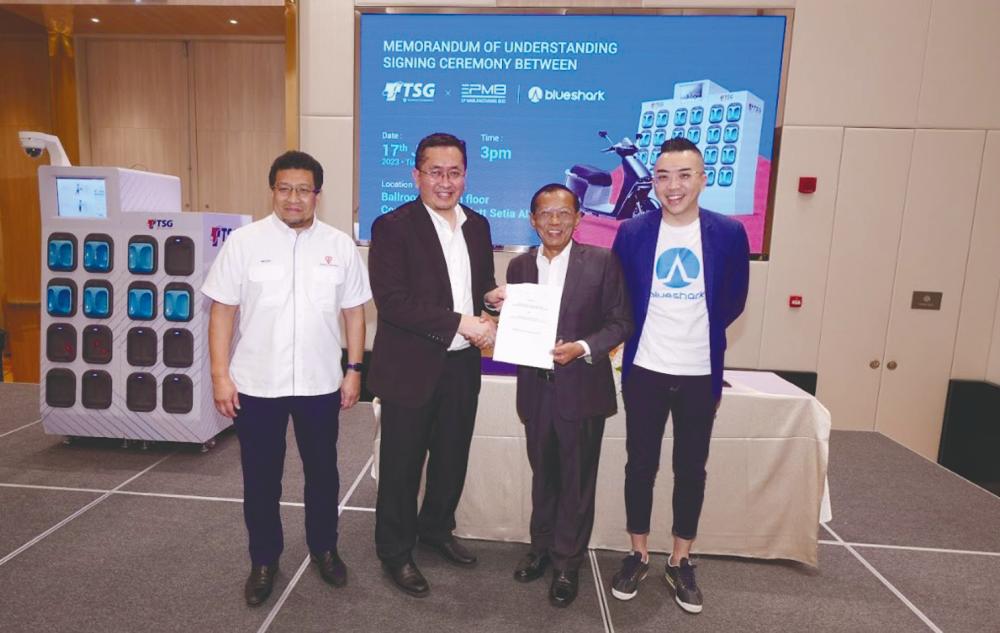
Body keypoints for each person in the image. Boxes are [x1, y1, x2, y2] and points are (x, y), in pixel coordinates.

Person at [202, 150, 371, 606]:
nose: (293, 198)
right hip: (257, 384)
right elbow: (222, 312)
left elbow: (354, 313)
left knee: (323, 474)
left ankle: (325, 549)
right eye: (284, 188)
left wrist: (353, 370)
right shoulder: (243, 242)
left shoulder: (339, 246)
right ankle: (263, 560)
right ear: (272, 190)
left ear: (317, 194)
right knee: (260, 479)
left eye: (303, 189)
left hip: (320, 384)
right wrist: (220, 375)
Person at [610, 138, 749, 614]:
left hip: (698, 373)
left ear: (703, 178)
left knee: (691, 469)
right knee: (639, 466)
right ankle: (637, 553)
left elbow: (733, 302)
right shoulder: (631, 232)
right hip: (645, 369)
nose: (674, 186)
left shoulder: (729, 233)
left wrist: (696, 336)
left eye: (685, 175)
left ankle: (680, 559)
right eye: (664, 176)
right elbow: (621, 297)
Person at [367, 132, 503, 597]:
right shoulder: (393, 226)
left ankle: (436, 529)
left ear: (466, 175)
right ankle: (395, 550)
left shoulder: (478, 225)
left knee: (451, 458)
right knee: (402, 465)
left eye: (455, 172)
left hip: (462, 367)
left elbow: (478, 284)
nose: (446, 182)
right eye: (435, 172)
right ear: (416, 174)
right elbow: (394, 303)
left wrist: (491, 299)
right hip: (411, 366)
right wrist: (464, 321)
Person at [506, 184, 632, 607]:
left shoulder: (601, 261)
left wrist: (582, 347)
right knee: (544, 476)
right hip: (535, 392)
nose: (555, 221)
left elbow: (619, 323)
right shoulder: (519, 267)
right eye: (546, 214)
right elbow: (516, 323)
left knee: (576, 483)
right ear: (533, 219)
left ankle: (566, 564)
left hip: (581, 390)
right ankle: (540, 549)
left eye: (564, 213)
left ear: (579, 219)